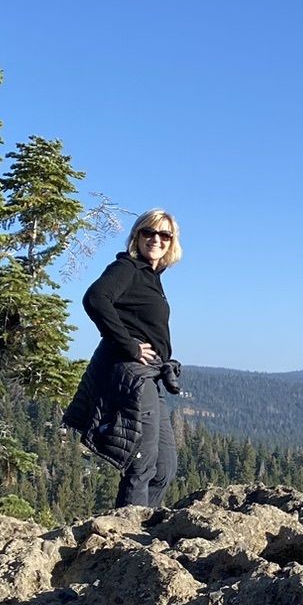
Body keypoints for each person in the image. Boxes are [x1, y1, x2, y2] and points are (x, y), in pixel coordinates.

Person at [64, 208, 184, 508]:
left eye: (164, 235)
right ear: (136, 236)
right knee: (141, 464)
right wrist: (129, 345)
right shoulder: (127, 268)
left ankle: (147, 531)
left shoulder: (151, 276)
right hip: (132, 374)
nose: (156, 239)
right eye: (149, 232)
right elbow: (95, 298)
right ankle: (127, 542)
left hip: (149, 375)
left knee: (164, 469)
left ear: (172, 242)